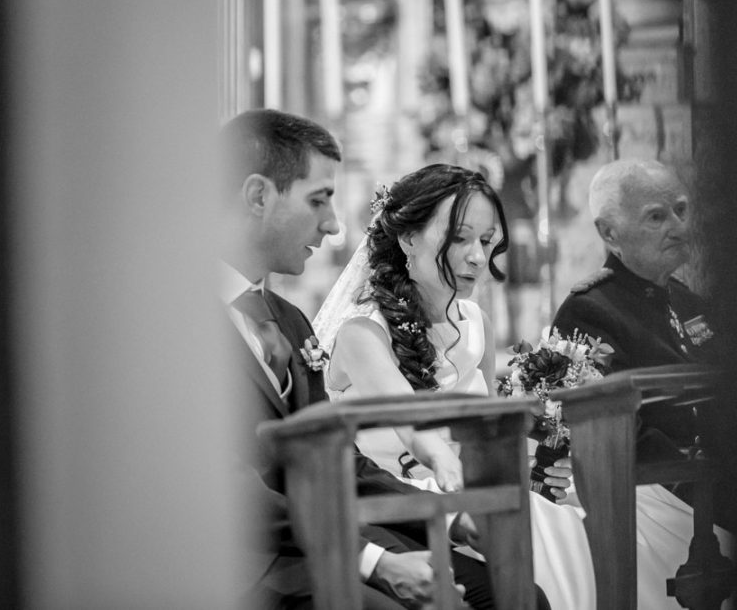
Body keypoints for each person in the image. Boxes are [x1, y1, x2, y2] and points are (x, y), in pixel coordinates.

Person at [316, 163, 707, 610]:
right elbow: (416, 427)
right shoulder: (362, 334)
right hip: (402, 500)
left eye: (486, 241)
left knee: (593, 539)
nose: (478, 258)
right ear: (407, 238)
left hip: (477, 488)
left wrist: (546, 456)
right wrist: (451, 469)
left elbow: (491, 431)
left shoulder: (476, 324)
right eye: (459, 238)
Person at [218, 110, 535, 610]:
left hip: (326, 531)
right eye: (319, 199)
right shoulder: (178, 327)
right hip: (242, 562)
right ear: (258, 196)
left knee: (511, 592)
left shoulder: (290, 320)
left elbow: (341, 461)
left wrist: (450, 517)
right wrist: (375, 562)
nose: (335, 225)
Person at [552, 158, 719, 457]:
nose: (679, 228)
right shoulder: (589, 313)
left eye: (681, 211)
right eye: (656, 217)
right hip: (648, 489)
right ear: (609, 233)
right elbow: (611, 434)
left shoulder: (688, 301)